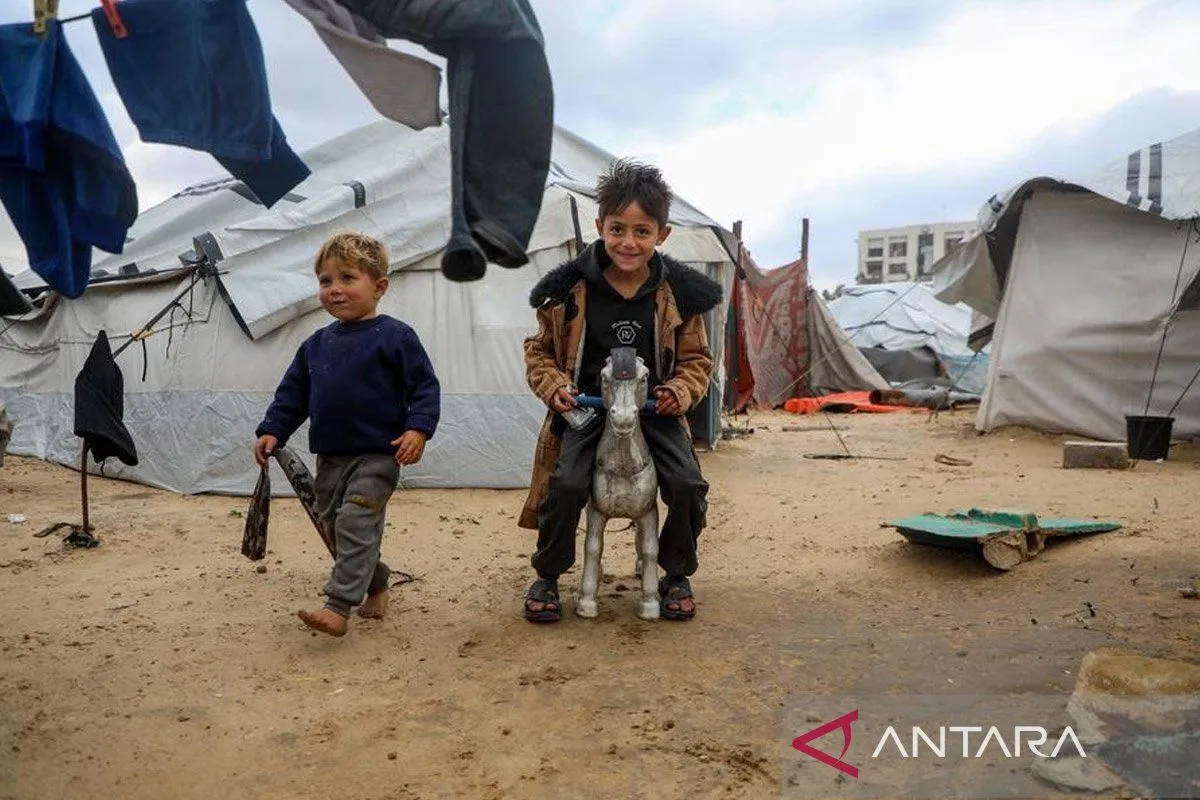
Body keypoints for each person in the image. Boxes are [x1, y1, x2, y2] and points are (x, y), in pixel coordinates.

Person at [519, 158, 722, 623]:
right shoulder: (567, 290)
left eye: (642, 231)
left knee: (687, 485)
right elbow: (539, 351)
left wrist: (680, 391)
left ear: (662, 235)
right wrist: (555, 386)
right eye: (617, 229)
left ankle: (675, 574)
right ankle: (548, 575)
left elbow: (697, 361)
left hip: (653, 408)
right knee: (564, 485)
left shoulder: (680, 295)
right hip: (587, 408)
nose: (628, 242)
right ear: (600, 228)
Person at [254, 232, 440, 637]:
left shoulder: (396, 337)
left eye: (347, 278)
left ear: (379, 286)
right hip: (331, 457)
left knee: (355, 521)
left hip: (379, 455)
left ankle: (337, 606)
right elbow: (292, 396)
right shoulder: (315, 345)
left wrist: (418, 429)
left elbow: (424, 388)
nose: (334, 289)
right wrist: (273, 430)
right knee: (336, 529)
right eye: (326, 281)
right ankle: (377, 581)